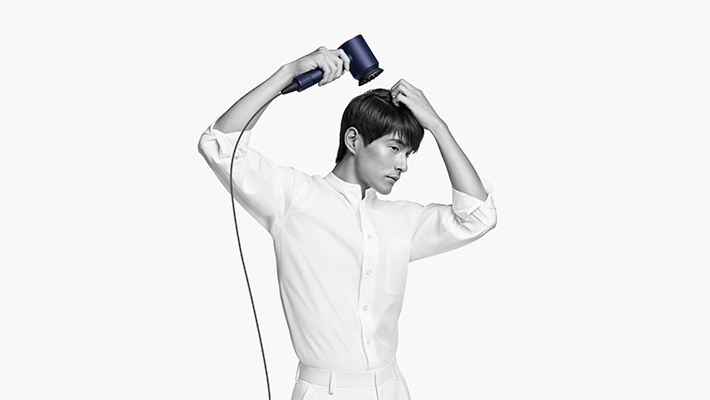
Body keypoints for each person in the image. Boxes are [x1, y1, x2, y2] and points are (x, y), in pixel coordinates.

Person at [198, 46, 497, 400]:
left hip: (393, 389)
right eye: (394, 148)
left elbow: (479, 216)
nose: (403, 165)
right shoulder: (294, 198)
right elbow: (218, 145)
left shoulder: (402, 220)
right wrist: (288, 72)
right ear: (353, 140)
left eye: (408, 154)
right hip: (324, 392)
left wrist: (437, 125)